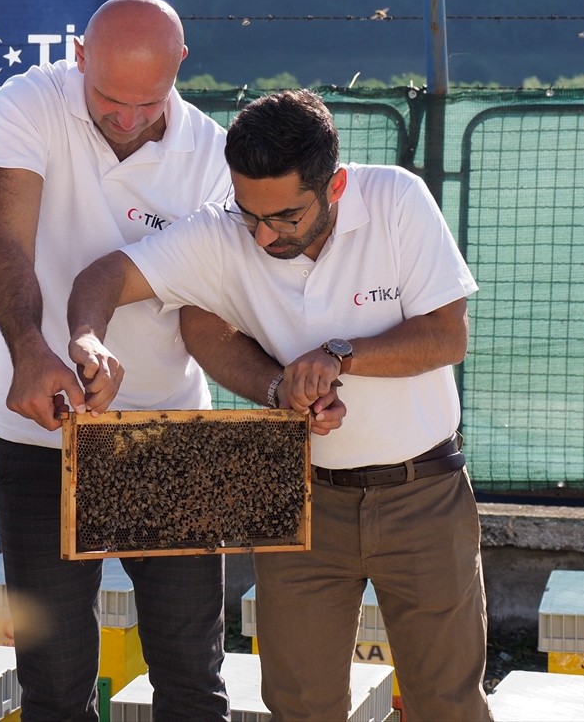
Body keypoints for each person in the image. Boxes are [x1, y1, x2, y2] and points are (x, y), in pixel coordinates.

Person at [67, 89, 493, 721]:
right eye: (250, 215)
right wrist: (87, 339)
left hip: (424, 495)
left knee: (447, 702)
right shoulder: (219, 231)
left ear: (337, 185)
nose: (264, 236)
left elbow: (446, 335)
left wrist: (338, 356)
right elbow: (114, 282)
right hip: (298, 496)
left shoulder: (398, 199)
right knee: (300, 705)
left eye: (287, 218)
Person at [0, 0, 341, 722]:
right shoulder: (28, 100)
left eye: (148, 100)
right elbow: (6, 240)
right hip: (40, 429)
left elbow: (204, 325)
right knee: (52, 679)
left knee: (189, 675)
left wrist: (276, 388)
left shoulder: (213, 154)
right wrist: (32, 351)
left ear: (181, 66)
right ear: (79, 56)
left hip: (170, 433)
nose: (126, 117)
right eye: (109, 96)